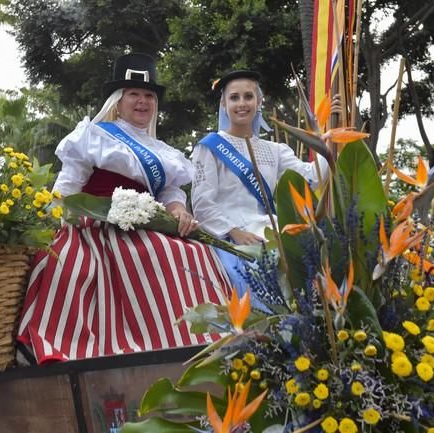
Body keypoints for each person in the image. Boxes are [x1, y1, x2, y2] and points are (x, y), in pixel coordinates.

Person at [17, 53, 230, 364]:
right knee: (72, 259)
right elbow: (69, 185)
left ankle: (192, 341)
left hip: (146, 221)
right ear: (119, 100)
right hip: (96, 222)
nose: (142, 101)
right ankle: (75, 344)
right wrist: (55, 220)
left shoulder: (163, 151)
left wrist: (179, 213)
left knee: (193, 253)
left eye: (148, 96)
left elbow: (170, 192)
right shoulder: (93, 135)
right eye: (134, 94)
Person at [191, 70, 329, 303]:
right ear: (224, 104)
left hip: (271, 231)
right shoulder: (209, 147)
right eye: (234, 98)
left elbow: (312, 178)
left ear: (259, 101)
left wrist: (330, 137)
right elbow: (202, 203)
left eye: (248, 96)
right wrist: (235, 232)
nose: (242, 103)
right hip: (230, 236)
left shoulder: (275, 150)